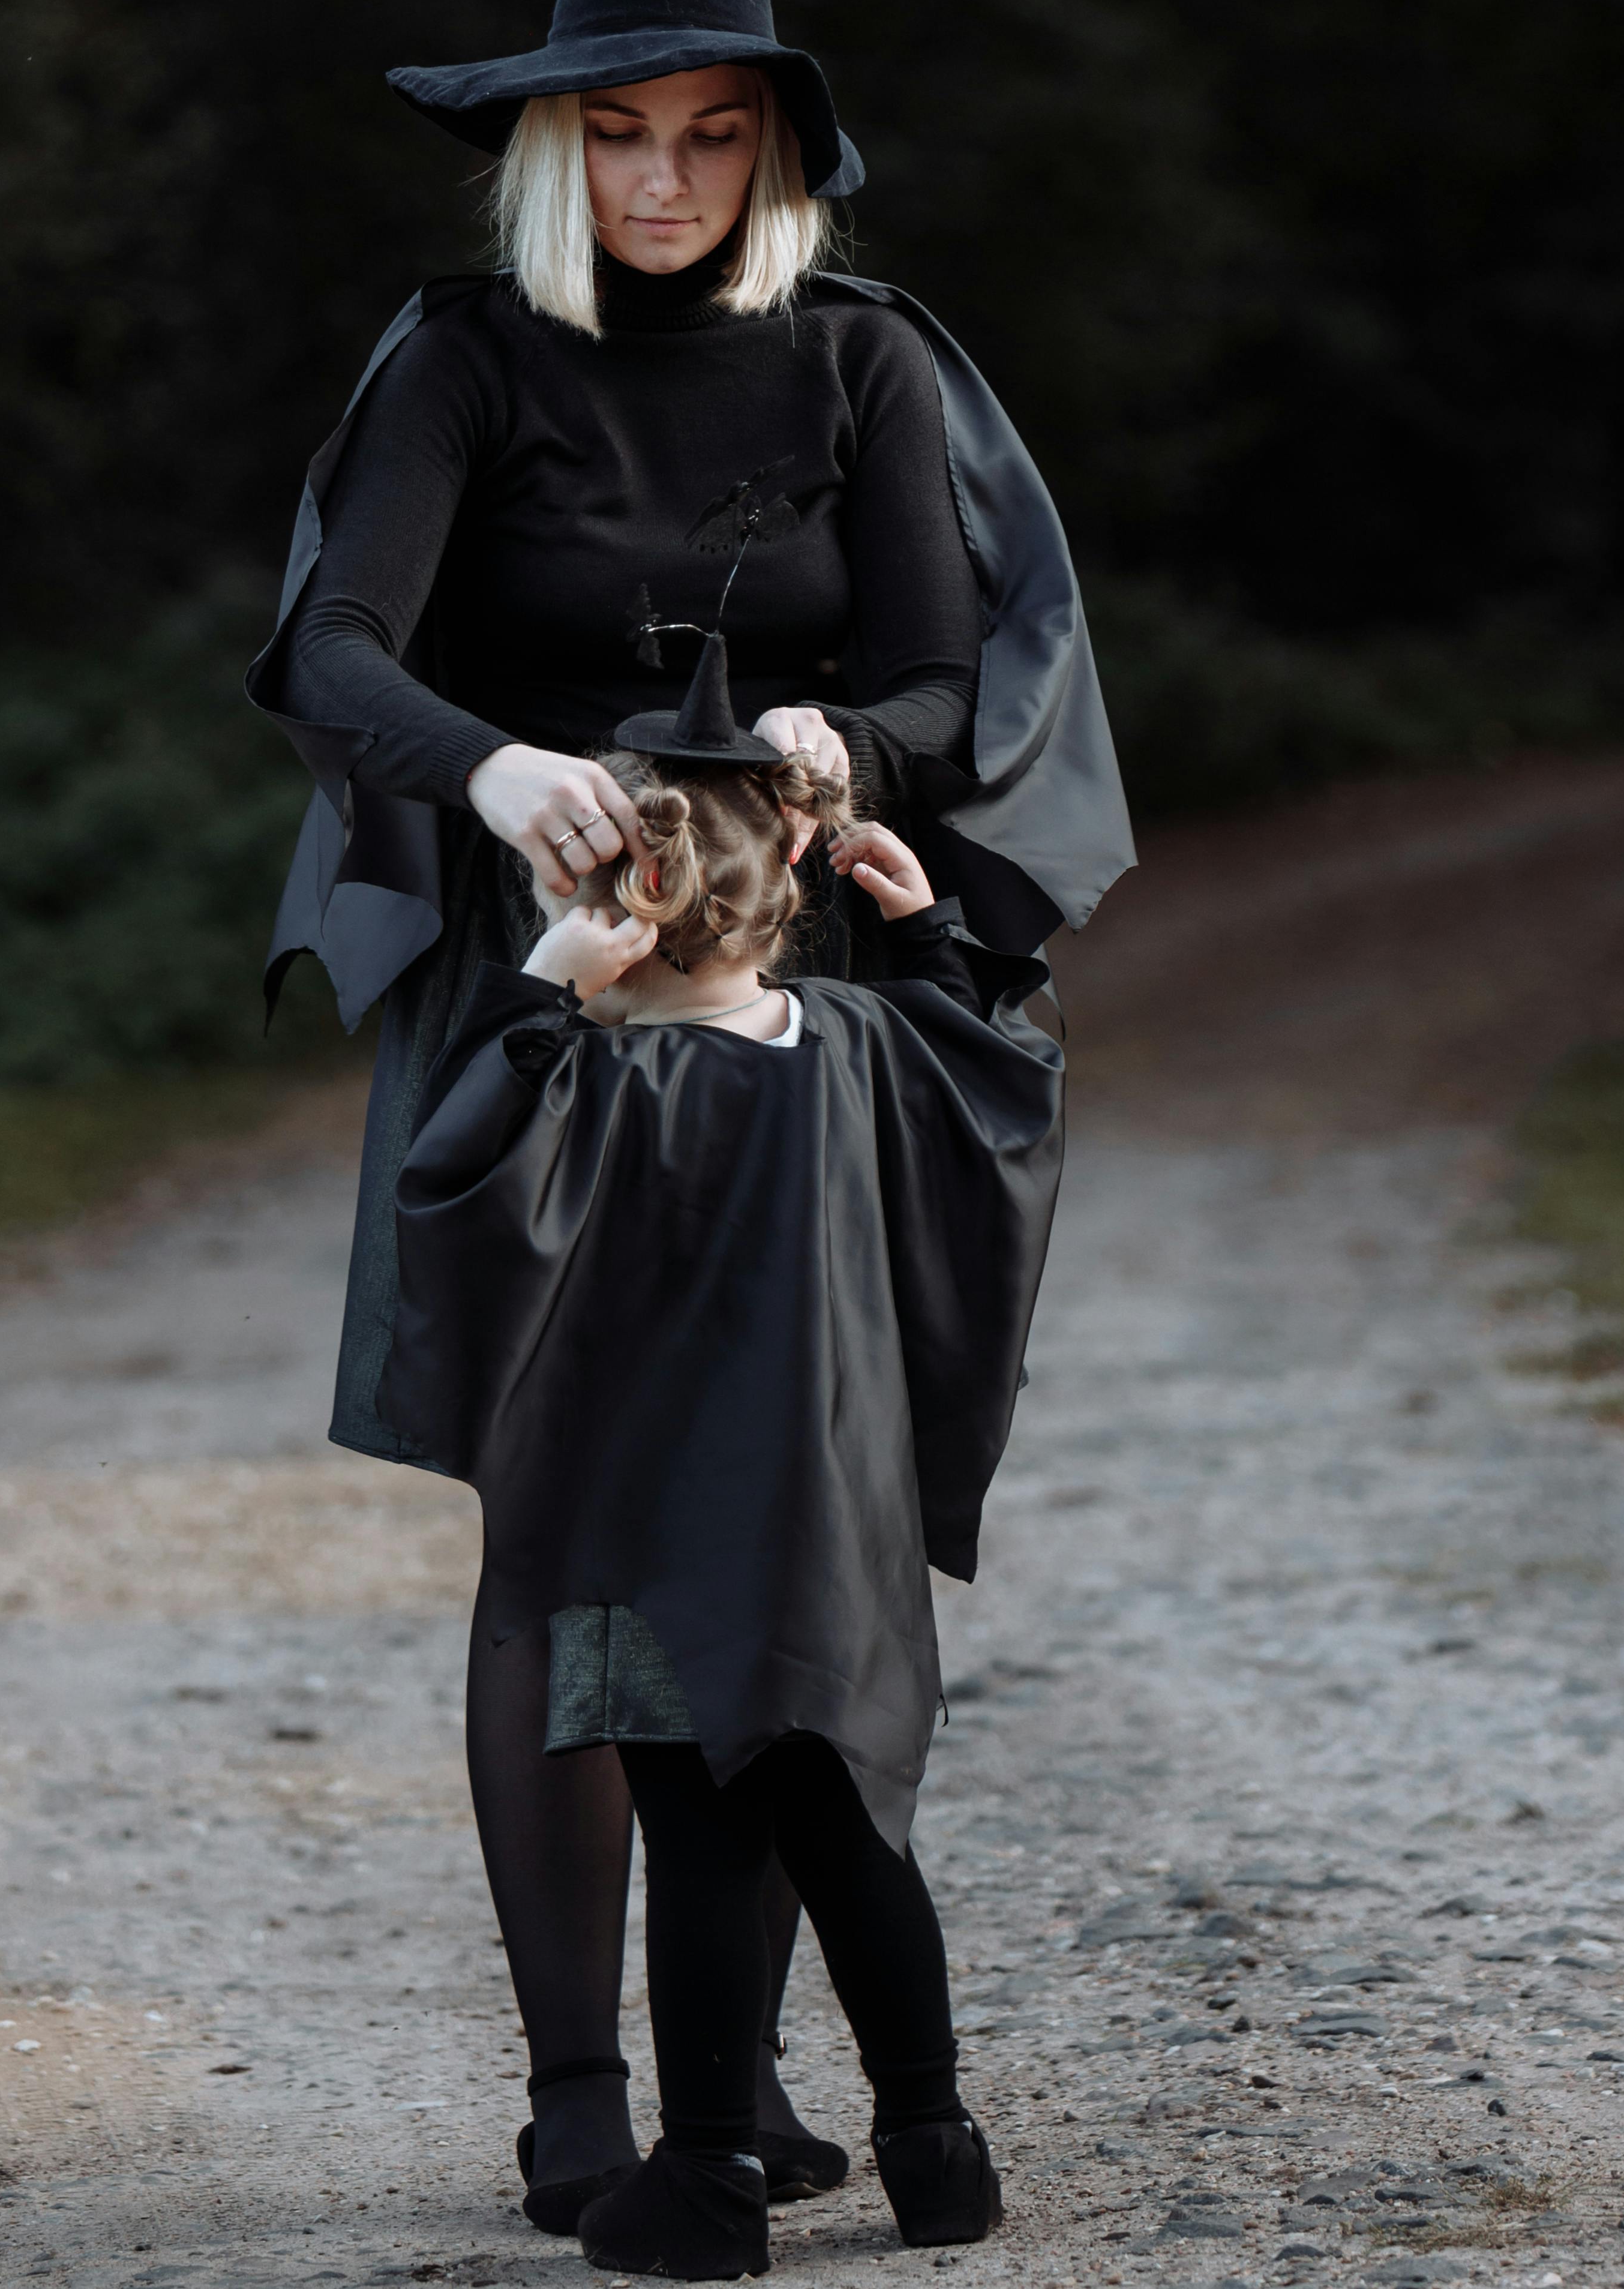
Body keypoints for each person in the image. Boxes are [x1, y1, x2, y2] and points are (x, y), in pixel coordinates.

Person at [248, 0, 1133, 2226]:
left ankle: (761, 2086)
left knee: (784, 1518)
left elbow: (942, 671)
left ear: (773, 145)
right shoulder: (460, 360)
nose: (656, 180)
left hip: (789, 1016)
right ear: (555, 146)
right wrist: (499, 773)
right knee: (571, 1527)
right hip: (546, 996)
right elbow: (323, 650)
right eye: (613, 134)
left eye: (706, 134)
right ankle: (581, 2105)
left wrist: (831, 765)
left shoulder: (860, 365)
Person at [378, 633, 1065, 2280]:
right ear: (785, 903)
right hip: (836, 1536)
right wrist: (921, 922)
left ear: (614, 906)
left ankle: (702, 2176)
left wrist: (543, 984)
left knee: (699, 1845)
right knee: (850, 1837)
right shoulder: (861, 1043)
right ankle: (934, 2144)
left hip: (657, 1544)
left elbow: (454, 1183)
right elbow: (1002, 1084)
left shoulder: (601, 1083)